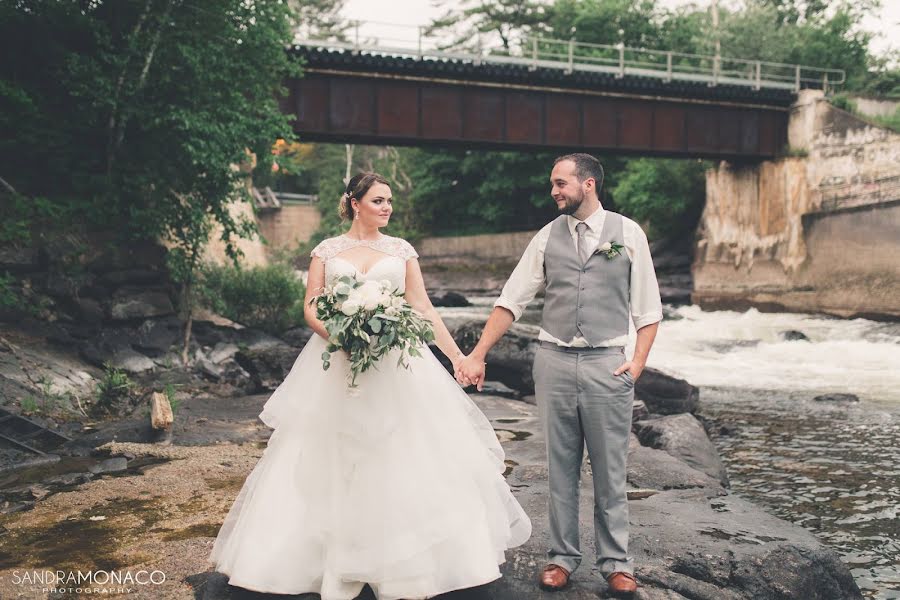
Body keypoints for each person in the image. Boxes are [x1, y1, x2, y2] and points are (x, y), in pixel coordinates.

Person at [207, 172, 531, 600]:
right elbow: (310, 305)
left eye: (390, 201)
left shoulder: (401, 250)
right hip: (338, 363)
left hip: (396, 366)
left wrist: (457, 357)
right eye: (378, 200)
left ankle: (402, 560)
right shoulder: (327, 250)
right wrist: (339, 336)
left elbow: (422, 307)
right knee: (332, 453)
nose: (386, 207)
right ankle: (329, 556)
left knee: (401, 450)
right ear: (354, 203)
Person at [455, 153, 662, 599]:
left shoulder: (627, 234)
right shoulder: (547, 237)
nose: (554, 191)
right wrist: (478, 352)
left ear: (588, 184)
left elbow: (648, 308)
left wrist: (638, 362)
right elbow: (513, 299)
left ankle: (616, 563)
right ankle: (561, 558)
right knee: (561, 467)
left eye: (561, 183)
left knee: (611, 470)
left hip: (608, 362)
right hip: (553, 359)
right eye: (553, 184)